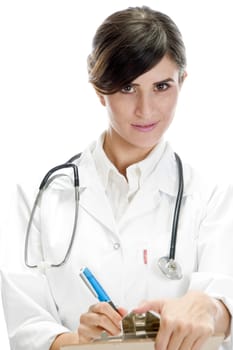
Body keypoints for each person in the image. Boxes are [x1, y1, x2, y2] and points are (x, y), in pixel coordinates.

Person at [1, 5, 233, 350]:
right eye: (127, 88)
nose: (146, 109)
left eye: (162, 86)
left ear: (182, 82)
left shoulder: (213, 195)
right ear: (99, 89)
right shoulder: (39, 196)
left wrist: (210, 308)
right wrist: (76, 341)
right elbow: (27, 326)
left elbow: (223, 302)